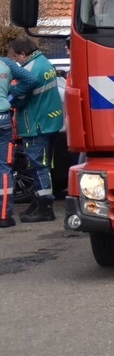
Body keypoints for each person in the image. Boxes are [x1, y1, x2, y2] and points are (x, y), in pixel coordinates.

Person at [7, 36, 63, 223]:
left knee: (38, 166)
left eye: (16, 57)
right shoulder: (44, 63)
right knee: (44, 165)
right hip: (50, 121)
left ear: (23, 54)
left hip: (36, 124)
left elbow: (20, 99)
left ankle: (45, 206)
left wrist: (10, 96)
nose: (16, 62)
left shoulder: (30, 70)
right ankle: (39, 201)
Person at [0, 53, 40, 228]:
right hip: (2, 118)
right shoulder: (6, 63)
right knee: (3, 168)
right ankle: (4, 216)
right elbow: (31, 79)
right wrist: (10, 95)